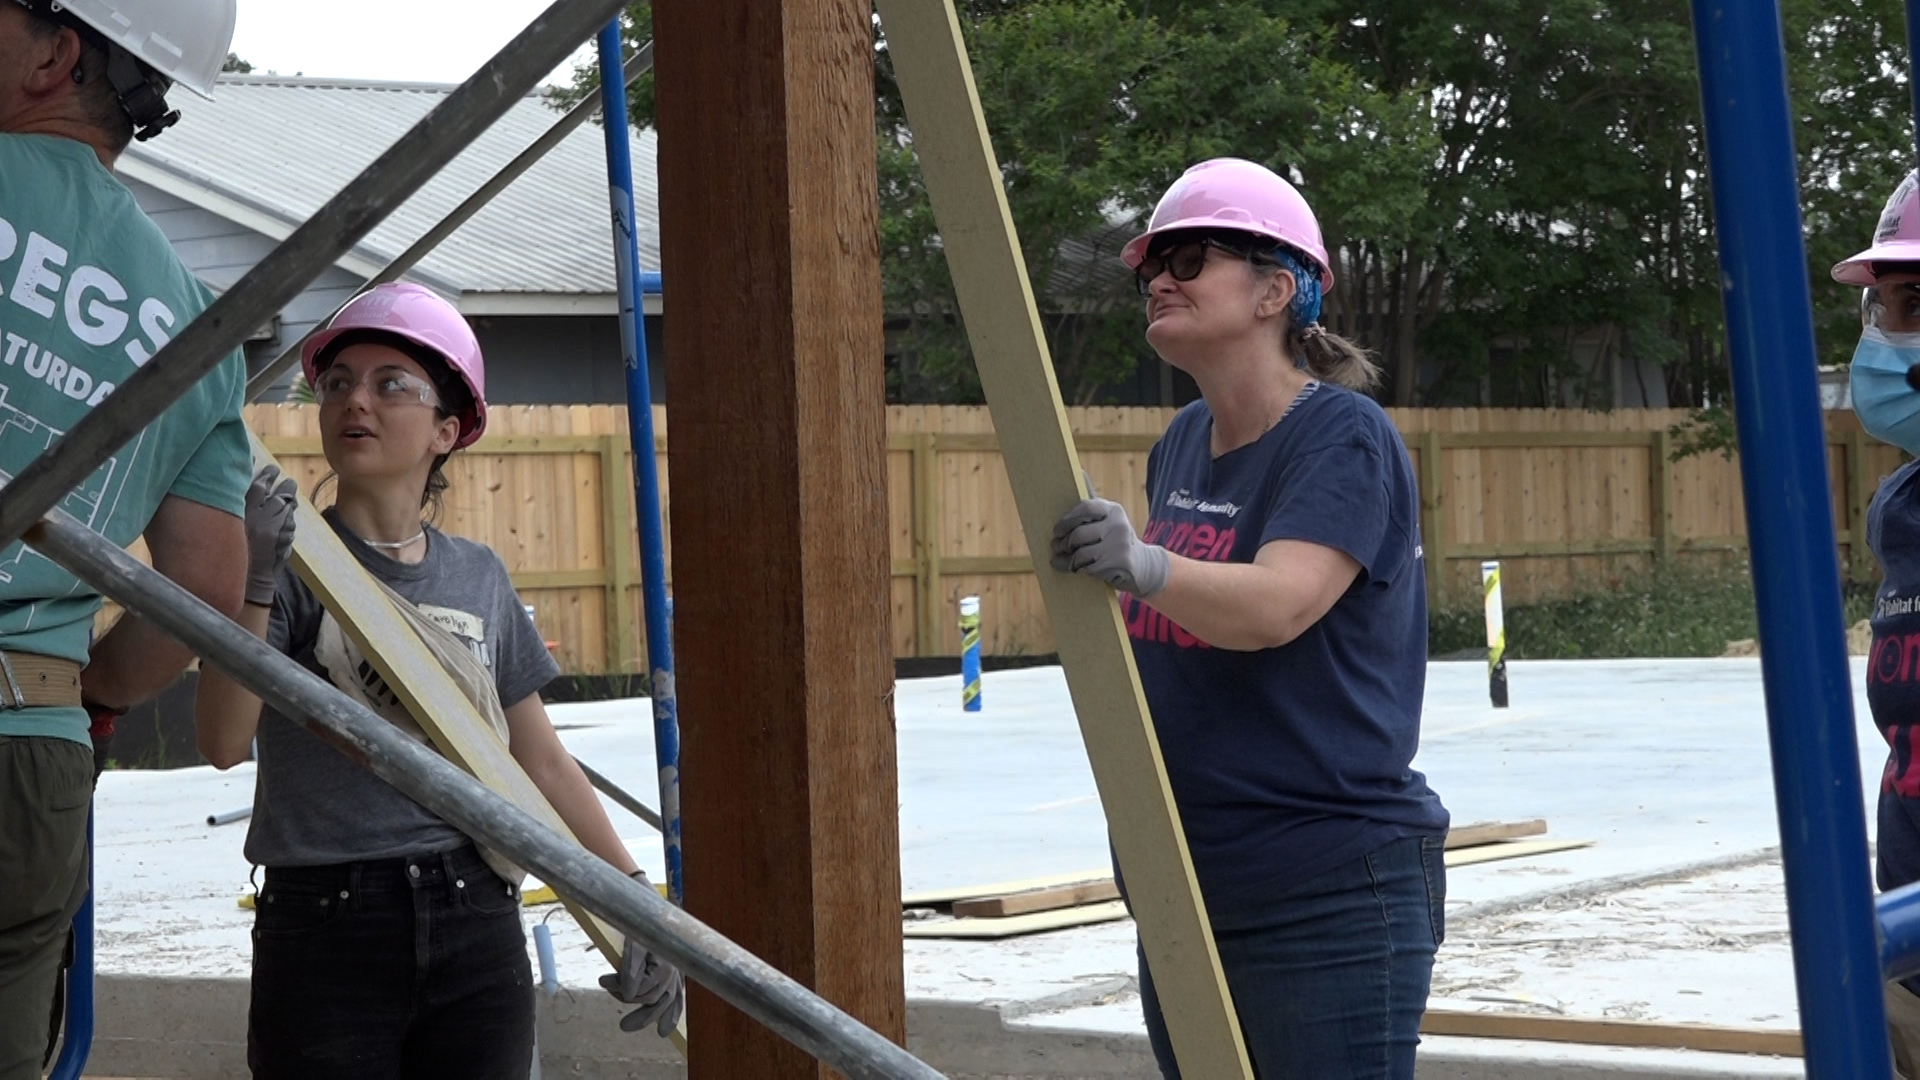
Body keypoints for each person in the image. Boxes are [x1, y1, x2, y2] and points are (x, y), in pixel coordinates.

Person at [193, 283, 684, 1079]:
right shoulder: (289, 565)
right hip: (327, 925)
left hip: (476, 920)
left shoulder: (477, 576)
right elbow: (219, 741)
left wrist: (635, 902)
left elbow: (542, 762)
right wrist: (253, 580)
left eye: (392, 384)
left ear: (447, 431)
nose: (357, 400)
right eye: (340, 381)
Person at [1050, 158, 1447, 1079]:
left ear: (1276, 289)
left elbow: (1277, 606)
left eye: (1190, 257)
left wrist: (1144, 567)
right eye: (1153, 264)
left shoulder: (1344, 435)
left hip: (1323, 884)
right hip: (1187, 880)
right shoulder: (1184, 440)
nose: (1160, 278)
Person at [0, 2, 252, 1076]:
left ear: (56, 53)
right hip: (31, 758)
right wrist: (87, 698)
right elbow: (198, 596)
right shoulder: (195, 328)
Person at [1832, 167, 1920, 1077]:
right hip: (1910, 944)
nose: (1893, 334)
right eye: (1890, 303)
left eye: (1919, 300)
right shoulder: (1902, 506)